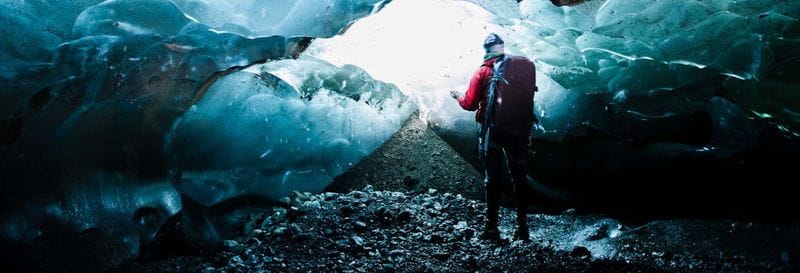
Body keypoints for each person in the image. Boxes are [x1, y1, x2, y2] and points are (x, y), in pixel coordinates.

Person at [449, 33, 536, 242]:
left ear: (486, 49)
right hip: (517, 132)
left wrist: (457, 96)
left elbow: (469, 104)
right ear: (502, 48)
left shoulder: (483, 72)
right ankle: (522, 227)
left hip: (492, 132)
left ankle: (492, 227)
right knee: (519, 176)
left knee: (492, 177)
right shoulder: (520, 70)